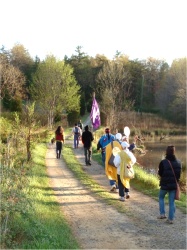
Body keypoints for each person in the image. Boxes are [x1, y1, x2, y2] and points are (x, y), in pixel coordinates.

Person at [157, 145, 181, 224]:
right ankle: (171, 219)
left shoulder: (163, 162)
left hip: (164, 184)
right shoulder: (178, 162)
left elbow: (160, 173)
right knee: (171, 202)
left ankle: (162, 214)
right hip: (173, 185)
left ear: (166, 152)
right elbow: (178, 175)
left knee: (161, 197)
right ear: (174, 151)